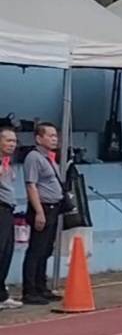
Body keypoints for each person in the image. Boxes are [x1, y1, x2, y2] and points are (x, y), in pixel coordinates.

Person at [22, 122, 64, 306]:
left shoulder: (49, 157)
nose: (54, 139)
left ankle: (41, 286)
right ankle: (30, 290)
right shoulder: (34, 157)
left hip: (53, 207)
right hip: (42, 207)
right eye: (50, 135)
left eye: (55, 135)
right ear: (39, 138)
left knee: (46, 249)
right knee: (36, 250)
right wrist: (39, 211)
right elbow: (31, 185)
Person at [0, 127, 21, 309]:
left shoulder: (7, 163)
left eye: (14, 141)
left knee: (7, 252)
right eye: (8, 140)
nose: (12, 144)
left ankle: (1, 294)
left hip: (8, 210)